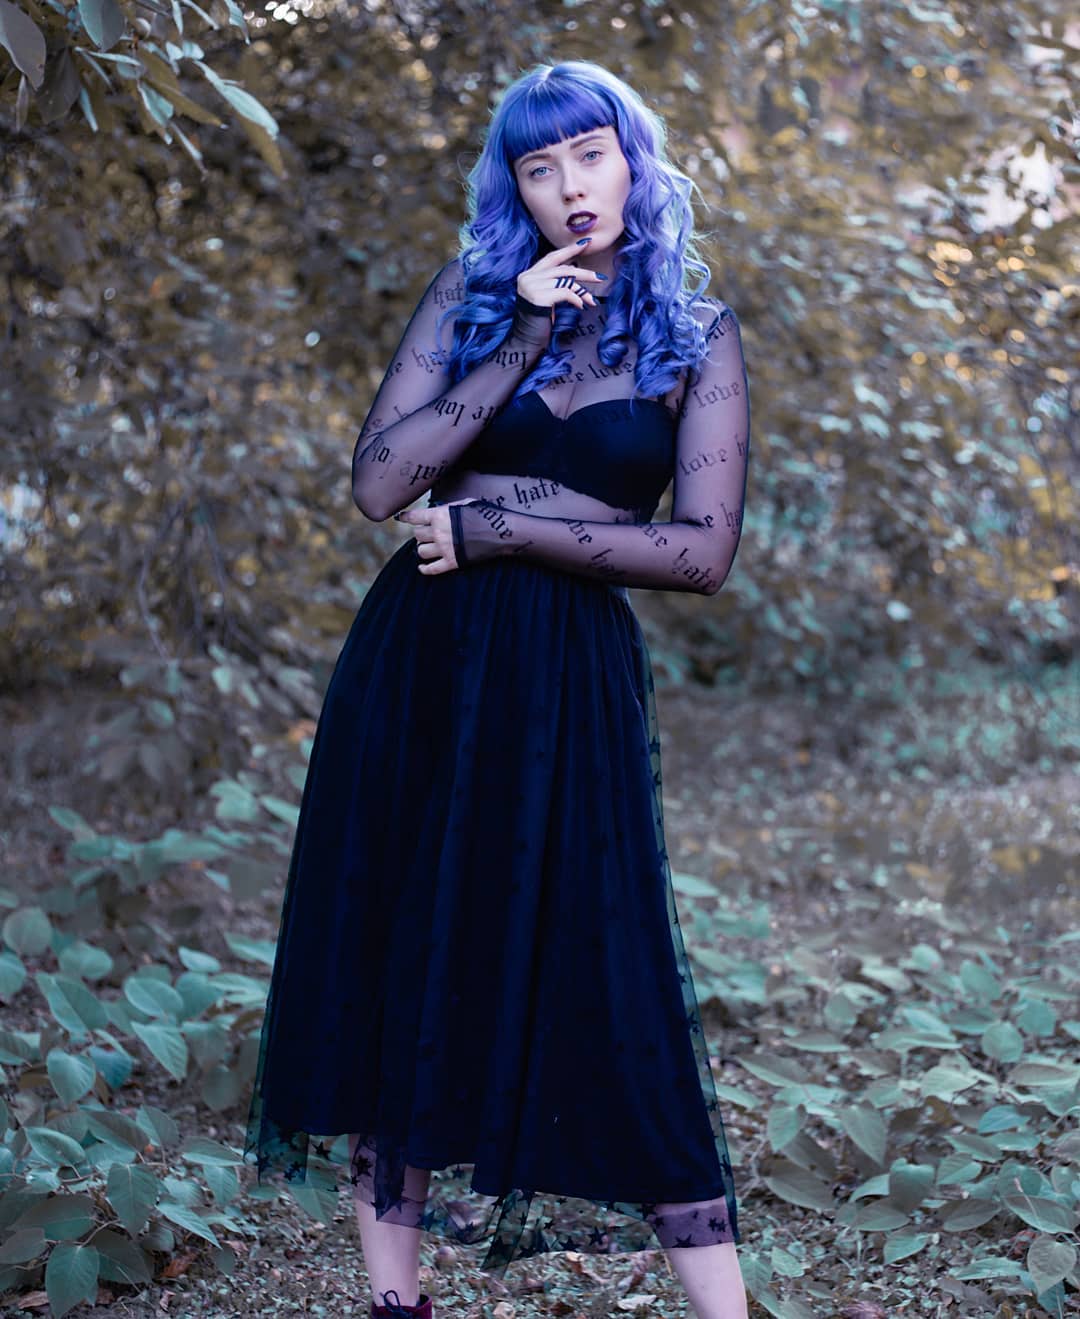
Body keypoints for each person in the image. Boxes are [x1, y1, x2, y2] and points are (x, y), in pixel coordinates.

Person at [243, 59, 751, 1319]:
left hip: (569, 679)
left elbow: (701, 551)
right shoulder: (469, 297)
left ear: (632, 160)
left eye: (589, 153)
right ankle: (395, 1301)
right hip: (425, 659)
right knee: (405, 946)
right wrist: (518, 332)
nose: (569, 182)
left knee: (611, 964)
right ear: (513, 187)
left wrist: (500, 529)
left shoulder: (696, 334)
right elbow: (381, 482)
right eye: (538, 165)